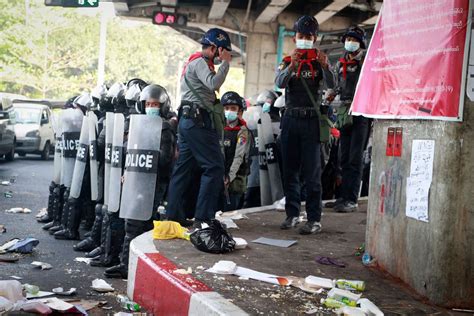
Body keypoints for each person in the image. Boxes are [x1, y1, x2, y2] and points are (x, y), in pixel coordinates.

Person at [105, 84, 176, 278]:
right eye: (148, 103)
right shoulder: (139, 125)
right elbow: (132, 152)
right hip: (136, 181)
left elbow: (164, 160)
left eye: (155, 104)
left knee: (137, 224)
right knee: (137, 223)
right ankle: (132, 265)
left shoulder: (165, 128)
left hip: (154, 184)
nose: (151, 107)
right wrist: (129, 170)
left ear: (162, 106)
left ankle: (128, 266)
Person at [165, 28, 232, 228]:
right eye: (222, 51)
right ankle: (203, 217)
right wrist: (227, 63)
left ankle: (173, 215)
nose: (222, 56)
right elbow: (213, 83)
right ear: (214, 48)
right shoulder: (201, 62)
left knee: (183, 168)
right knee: (214, 167)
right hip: (197, 121)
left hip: (188, 121)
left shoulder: (195, 62)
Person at [275, 15, 335, 235]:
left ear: (315, 38)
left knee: (312, 173)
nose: (304, 40)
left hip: (311, 120)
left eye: (308, 36)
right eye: (301, 36)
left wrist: (326, 67)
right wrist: (292, 66)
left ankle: (314, 219)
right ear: (294, 38)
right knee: (289, 171)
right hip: (290, 119)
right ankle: (292, 214)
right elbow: (279, 83)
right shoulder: (287, 61)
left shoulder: (321, 62)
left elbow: (333, 85)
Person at [332, 26, 370, 213]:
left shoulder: (366, 62)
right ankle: (342, 196)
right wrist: (332, 94)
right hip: (344, 112)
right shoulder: (340, 64)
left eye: (353, 39)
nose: (350, 42)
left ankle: (352, 199)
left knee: (355, 158)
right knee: (343, 157)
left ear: (360, 43)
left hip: (361, 113)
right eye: (347, 39)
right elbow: (336, 86)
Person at [221, 91, 251, 211]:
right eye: (226, 108)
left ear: (239, 111)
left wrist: (229, 177)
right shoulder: (219, 128)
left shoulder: (242, 131)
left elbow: (239, 156)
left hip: (234, 182)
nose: (229, 111)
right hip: (218, 179)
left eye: (233, 108)